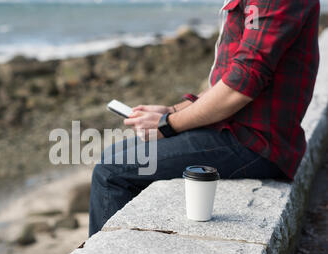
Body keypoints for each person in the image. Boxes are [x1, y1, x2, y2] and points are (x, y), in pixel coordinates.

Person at [88, 0, 321, 237]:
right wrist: (171, 111)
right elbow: (231, 79)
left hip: (256, 141)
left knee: (112, 172)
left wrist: (168, 125)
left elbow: (241, 84)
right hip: (233, 128)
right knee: (113, 155)